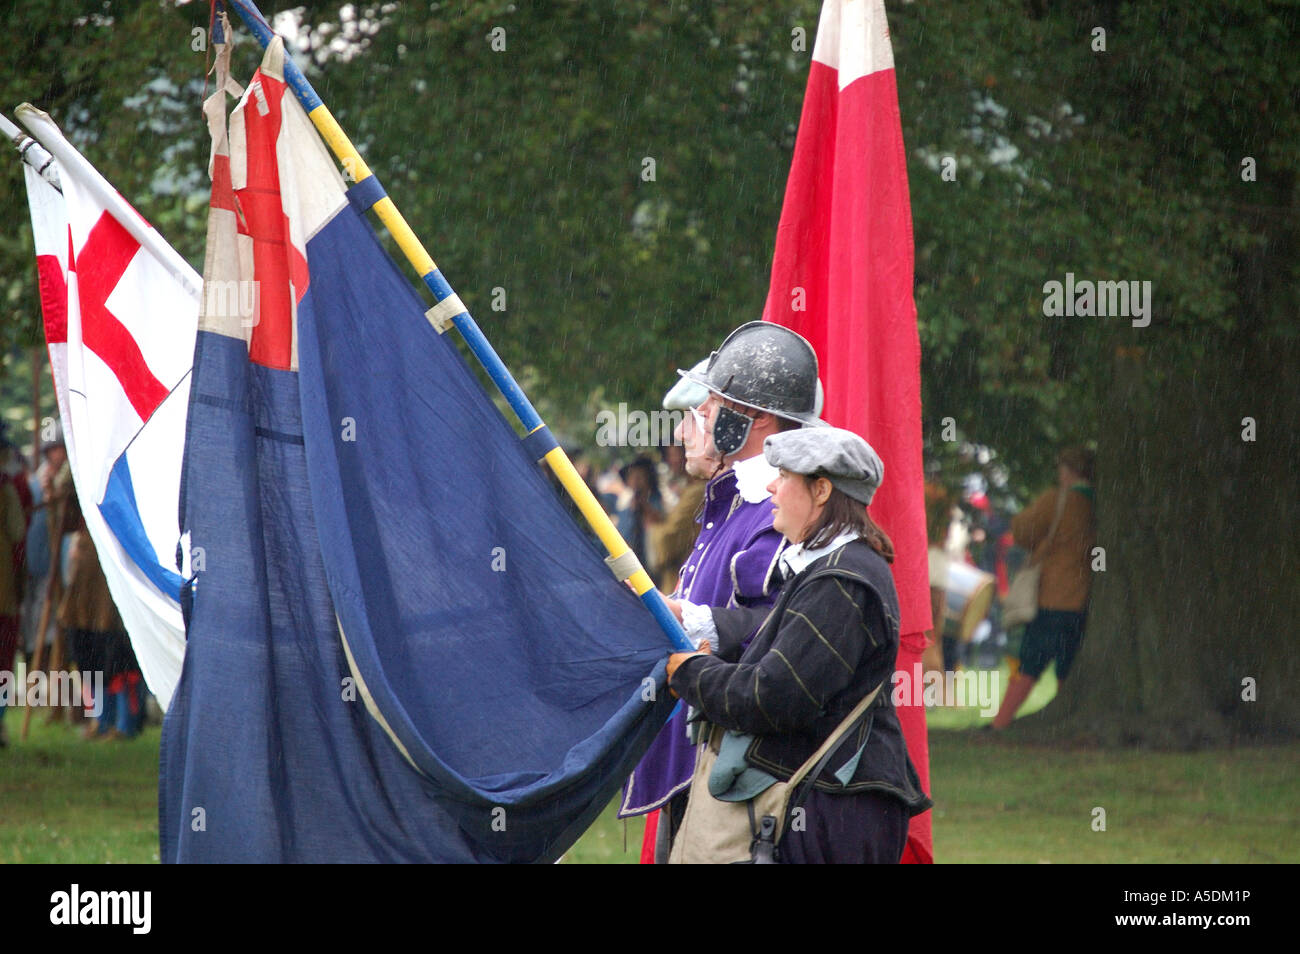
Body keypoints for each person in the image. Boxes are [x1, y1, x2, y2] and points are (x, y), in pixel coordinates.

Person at [665, 426, 932, 863]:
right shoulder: (833, 569)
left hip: (831, 812)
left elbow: (771, 697)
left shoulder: (842, 581)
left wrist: (691, 672)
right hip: (828, 804)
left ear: (822, 489)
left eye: (784, 475)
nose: (771, 485)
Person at [619, 323, 824, 862]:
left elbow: (790, 627)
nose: (686, 431)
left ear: (749, 420)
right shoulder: (734, 499)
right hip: (705, 740)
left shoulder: (772, 510)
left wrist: (692, 618)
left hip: (736, 761)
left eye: (703, 413)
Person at [991, 445, 1096, 729]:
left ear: (1068, 471)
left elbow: (1024, 529)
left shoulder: (1058, 500)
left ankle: (1000, 723)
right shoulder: (1100, 504)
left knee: (1030, 663)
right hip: (1085, 599)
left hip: (1053, 597)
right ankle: (1071, 720)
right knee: (1067, 665)